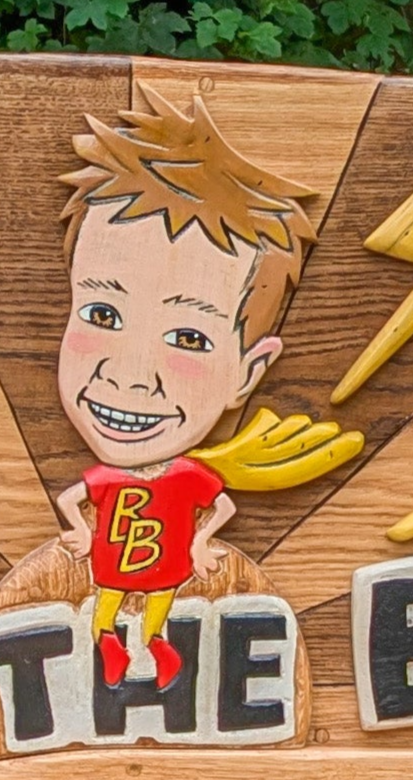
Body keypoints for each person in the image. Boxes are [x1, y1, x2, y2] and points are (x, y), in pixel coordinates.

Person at [53, 91, 321, 687]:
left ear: (248, 374)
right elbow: (77, 502)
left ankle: (147, 648)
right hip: (127, 571)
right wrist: (79, 532)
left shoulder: (183, 480)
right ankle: (129, 648)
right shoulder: (118, 481)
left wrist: (200, 544)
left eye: (189, 338)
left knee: (134, 616)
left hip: (161, 572)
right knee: (110, 617)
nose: (128, 375)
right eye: (101, 315)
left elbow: (219, 504)